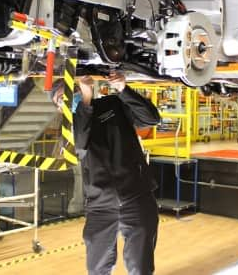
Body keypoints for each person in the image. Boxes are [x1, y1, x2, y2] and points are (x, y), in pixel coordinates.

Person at [50, 72, 161, 275]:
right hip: (100, 207)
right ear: (58, 107)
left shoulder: (112, 105)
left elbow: (151, 119)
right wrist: (84, 99)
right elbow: (80, 146)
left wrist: (123, 90)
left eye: (69, 93)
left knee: (141, 267)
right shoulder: (67, 130)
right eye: (61, 99)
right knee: (97, 269)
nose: (67, 100)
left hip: (137, 197)